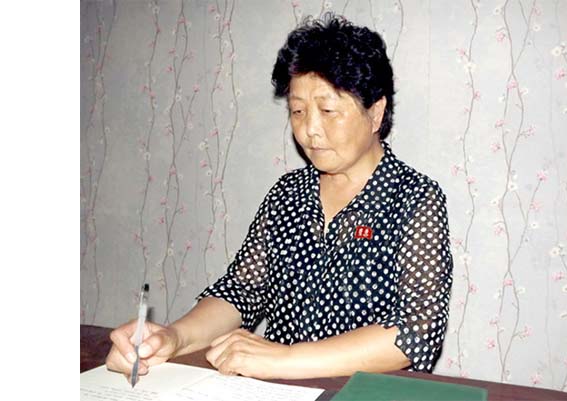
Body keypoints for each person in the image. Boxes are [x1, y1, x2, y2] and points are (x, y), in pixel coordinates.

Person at [106, 13, 453, 381]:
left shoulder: (415, 198)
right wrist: (173, 338)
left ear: (375, 113)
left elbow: (417, 331)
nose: (310, 129)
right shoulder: (288, 194)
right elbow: (241, 291)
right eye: (298, 111)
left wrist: (285, 359)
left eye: (328, 110)